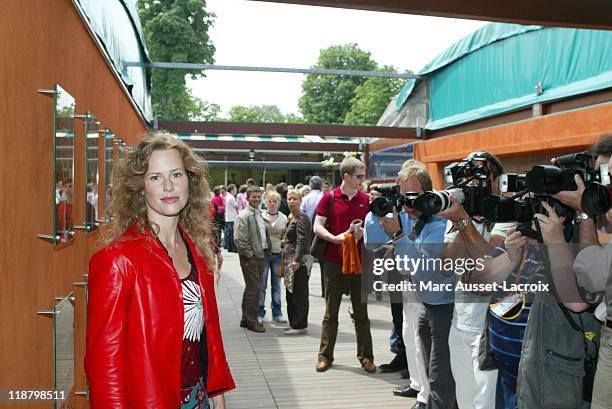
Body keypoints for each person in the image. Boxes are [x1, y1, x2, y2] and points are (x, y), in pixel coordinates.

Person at [85, 134, 234, 409]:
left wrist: (217, 395)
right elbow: (104, 367)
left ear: (190, 180)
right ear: (140, 187)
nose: (168, 186)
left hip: (198, 398)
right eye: (155, 177)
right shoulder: (117, 260)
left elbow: (207, 336)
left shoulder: (198, 252)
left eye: (176, 174)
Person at [366, 162, 453, 409]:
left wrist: (399, 236)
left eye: (413, 196)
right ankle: (424, 395)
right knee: (421, 354)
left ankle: (431, 399)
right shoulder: (404, 213)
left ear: (427, 194)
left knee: (440, 369)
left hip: (441, 302)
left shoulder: (439, 222)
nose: (408, 203)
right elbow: (372, 243)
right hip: (421, 297)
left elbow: (426, 269)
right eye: (403, 196)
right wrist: (378, 211)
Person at [439, 151, 514, 409]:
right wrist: (464, 220)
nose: (475, 185)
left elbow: (487, 269)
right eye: (469, 179)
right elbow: (447, 266)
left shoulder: (508, 213)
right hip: (460, 322)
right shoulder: (461, 216)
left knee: (485, 404)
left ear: (497, 181)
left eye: (482, 177)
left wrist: (464, 221)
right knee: (466, 401)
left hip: (489, 329)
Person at [313, 157, 375, 374]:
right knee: (331, 312)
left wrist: (362, 233)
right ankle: (325, 356)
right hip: (333, 261)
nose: (362, 180)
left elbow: (375, 229)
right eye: (359, 176)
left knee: (361, 312)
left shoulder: (366, 199)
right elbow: (317, 226)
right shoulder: (329, 198)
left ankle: (366, 357)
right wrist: (335, 238)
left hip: (359, 262)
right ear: (346, 176)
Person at [234, 185, 271, 332]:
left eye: (258, 196)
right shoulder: (244, 216)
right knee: (255, 289)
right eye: (253, 196)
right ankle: (252, 321)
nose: (256, 199)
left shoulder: (258, 214)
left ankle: (245, 318)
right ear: (247, 198)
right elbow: (239, 240)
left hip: (261, 255)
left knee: (251, 288)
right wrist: (251, 255)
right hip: (251, 258)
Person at [283, 190, 313, 334]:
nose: (291, 202)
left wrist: (297, 260)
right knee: (291, 292)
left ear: (301, 201)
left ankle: (300, 325)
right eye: (289, 199)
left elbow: (302, 240)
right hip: (290, 258)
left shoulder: (302, 217)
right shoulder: (293, 217)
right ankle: (294, 322)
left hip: (298, 260)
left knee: (299, 292)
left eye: (295, 199)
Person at [258, 191, 288, 324]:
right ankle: (259, 312)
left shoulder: (284, 218)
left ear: (279, 203)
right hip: (263, 254)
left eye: (275, 201)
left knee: (276, 286)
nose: (272, 203)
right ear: (265, 202)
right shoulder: (260, 216)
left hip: (277, 254)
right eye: (270, 201)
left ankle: (277, 312)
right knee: (262, 285)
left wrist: (284, 241)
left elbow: (285, 235)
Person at [300, 175, 326, 297]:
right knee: (323, 263)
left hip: (308, 232)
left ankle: (305, 287)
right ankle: (325, 291)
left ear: (310, 185)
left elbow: (301, 216)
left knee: (307, 260)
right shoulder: (325, 198)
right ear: (321, 185)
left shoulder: (305, 199)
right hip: (322, 233)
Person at [224, 184, 238, 253]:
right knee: (232, 234)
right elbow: (236, 206)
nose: (236, 190)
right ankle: (232, 248)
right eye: (235, 189)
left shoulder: (228, 196)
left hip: (228, 217)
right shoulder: (232, 198)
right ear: (232, 190)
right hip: (232, 217)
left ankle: (229, 247)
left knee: (229, 233)